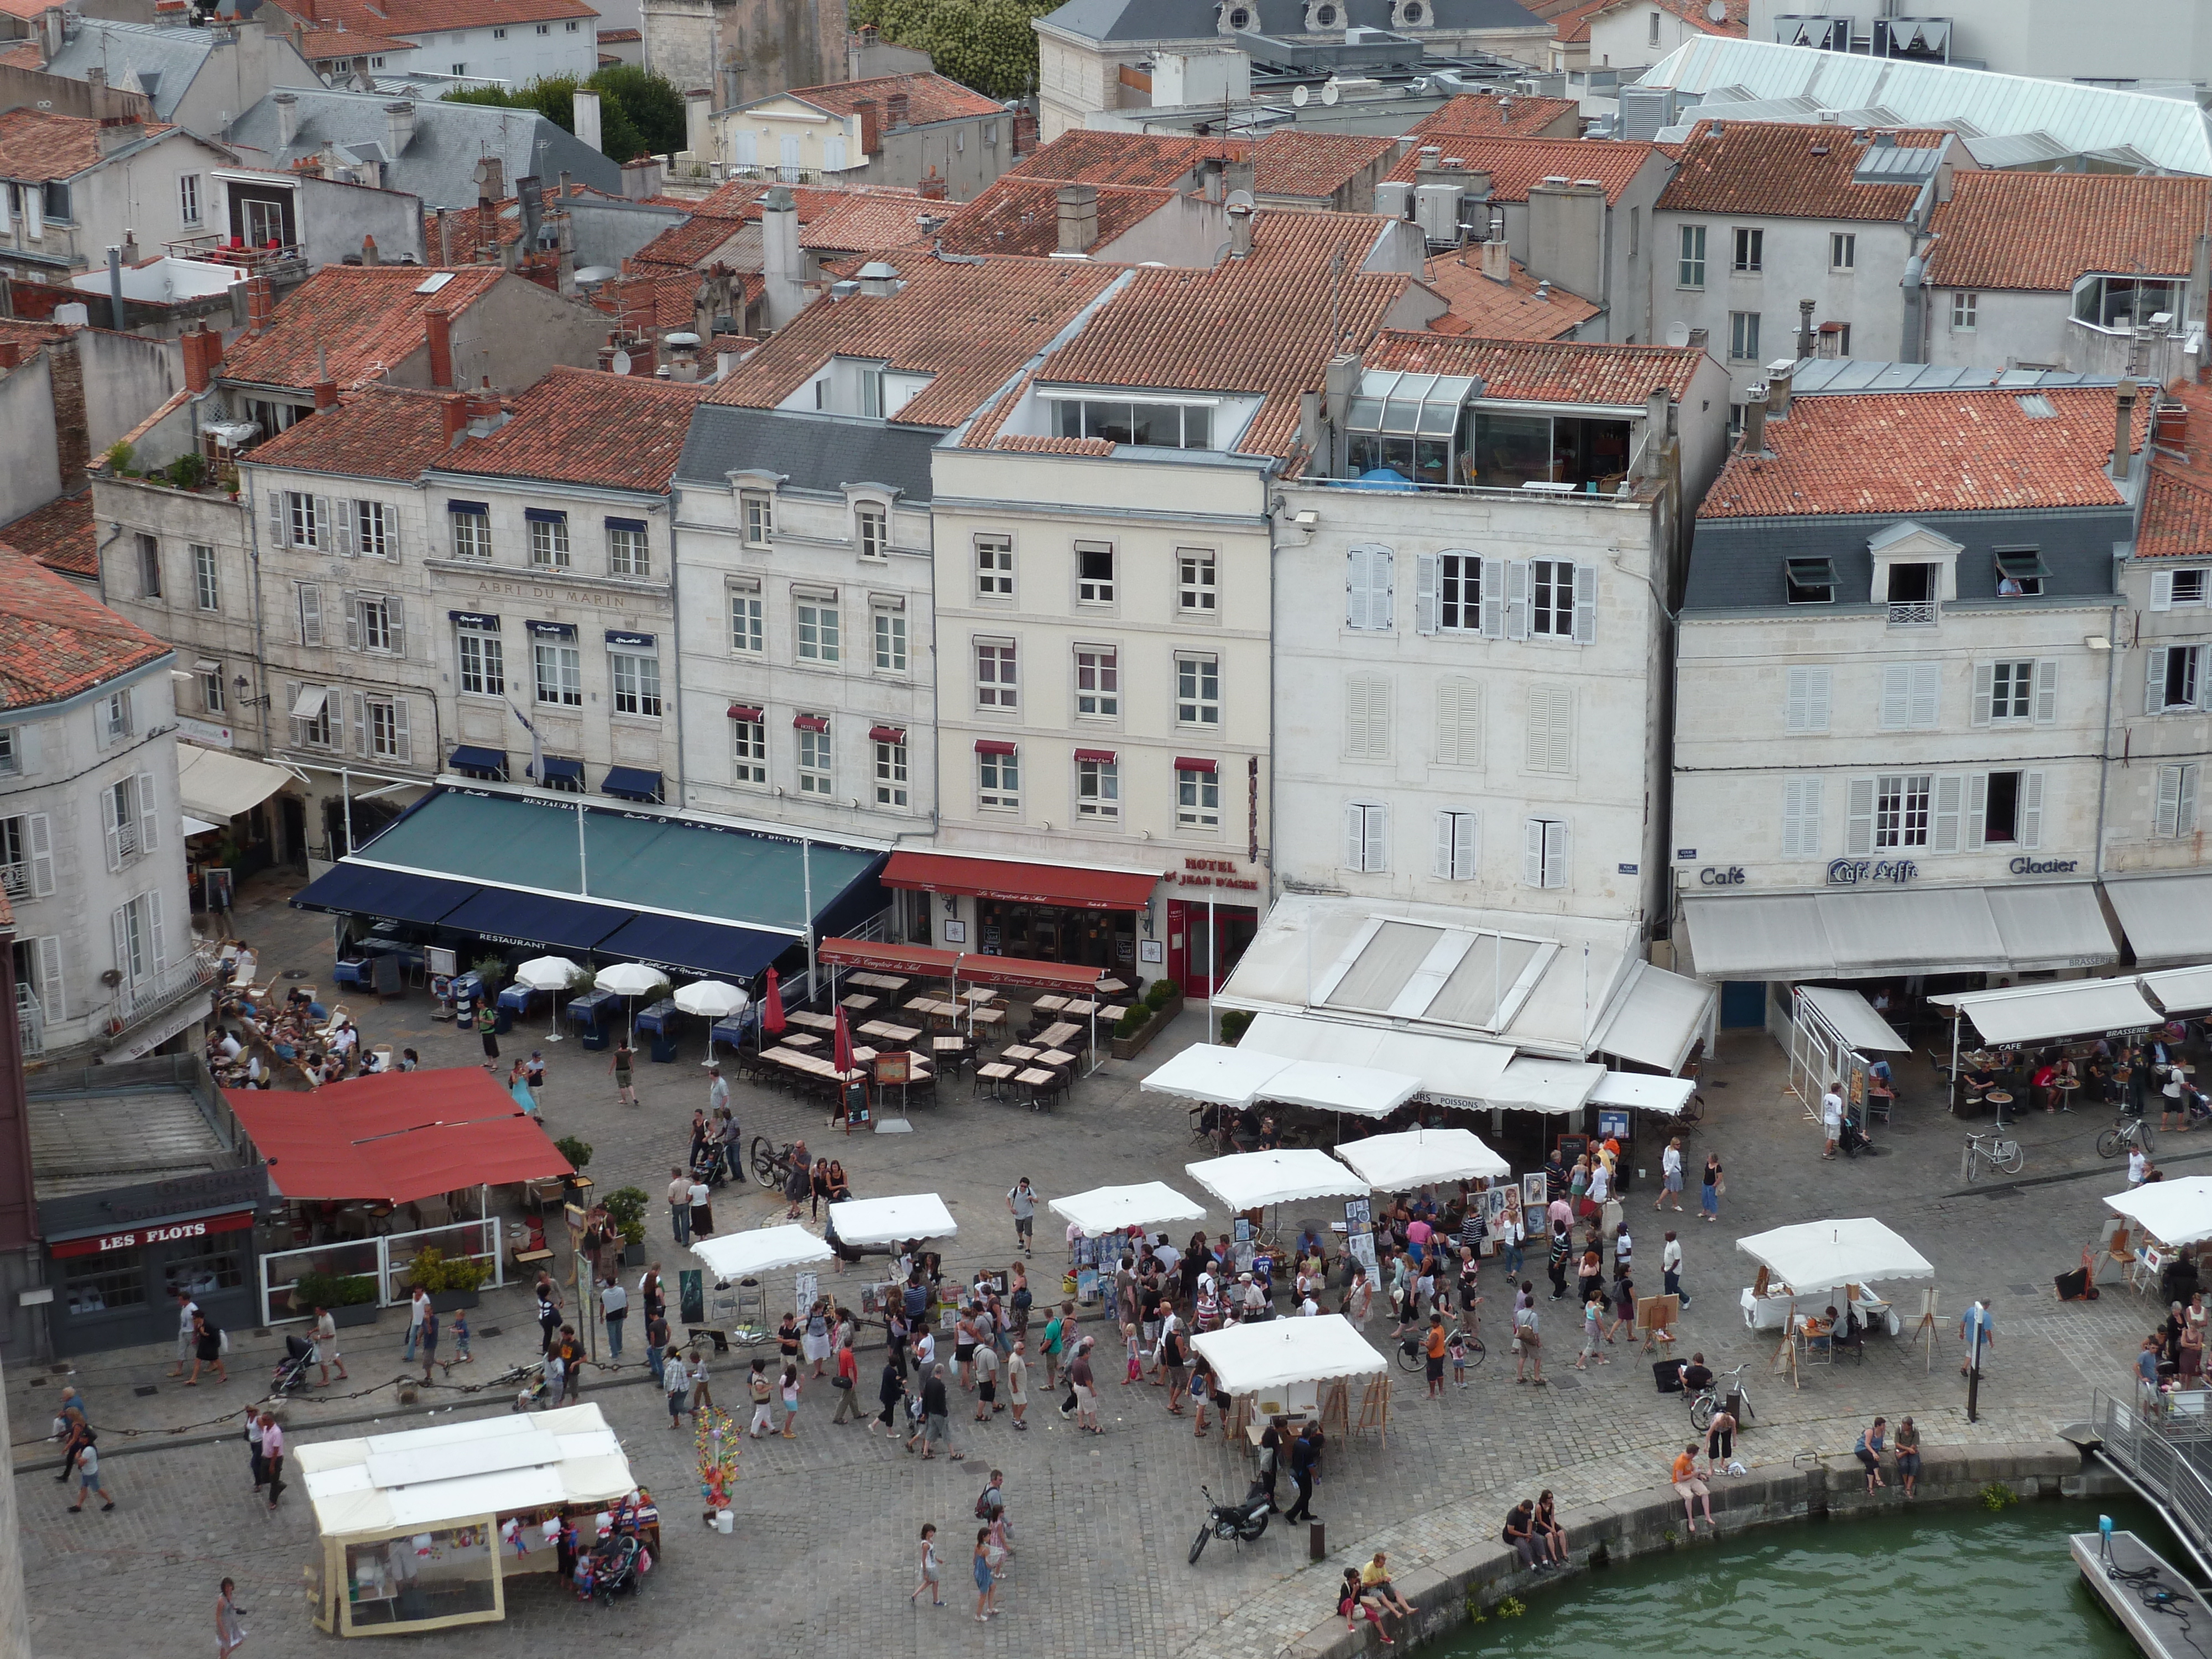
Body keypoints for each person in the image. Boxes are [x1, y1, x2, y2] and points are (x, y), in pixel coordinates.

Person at [1339, 1567, 1393, 1641]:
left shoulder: (1358, 1584)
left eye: (1357, 1577)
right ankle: (1350, 1624)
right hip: (1345, 1608)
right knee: (1349, 1601)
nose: (1357, 1579)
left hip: (1356, 1606)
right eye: (1355, 1578)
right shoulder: (1345, 1587)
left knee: (1374, 1615)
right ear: (1350, 1579)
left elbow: (1357, 1600)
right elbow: (1349, 1601)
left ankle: (1384, 1636)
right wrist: (1355, 1591)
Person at [1285, 1421, 1321, 1524]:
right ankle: (1291, 1514)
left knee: (1304, 1493)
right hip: (1303, 1474)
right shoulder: (1308, 1448)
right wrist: (1316, 1477)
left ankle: (1305, 1513)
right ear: (1311, 1435)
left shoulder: (1297, 1443)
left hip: (1296, 1470)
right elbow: (1310, 1466)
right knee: (1306, 1495)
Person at [1361, 1551, 1416, 1619]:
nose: (1383, 1566)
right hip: (1372, 1588)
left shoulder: (1382, 1567)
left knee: (1397, 1592)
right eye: (1381, 1564)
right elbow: (1366, 1584)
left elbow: (1385, 1575)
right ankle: (1396, 1613)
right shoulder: (1368, 1569)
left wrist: (1386, 1579)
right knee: (1383, 1597)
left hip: (1382, 1585)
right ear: (1376, 1562)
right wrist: (1377, 1581)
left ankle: (1408, 1609)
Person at [1672, 1443, 1712, 1533]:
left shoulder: (1689, 1459)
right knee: (1689, 1497)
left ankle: (1708, 1516)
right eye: (1695, 1455)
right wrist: (1693, 1474)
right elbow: (1679, 1478)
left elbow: (1692, 1468)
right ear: (1692, 1454)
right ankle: (1691, 1520)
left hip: (1691, 1479)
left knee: (1705, 1492)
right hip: (1680, 1483)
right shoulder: (1680, 1462)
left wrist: (1699, 1474)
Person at [68, 1432, 112, 1513]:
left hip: (90, 1473)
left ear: (86, 1439)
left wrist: (77, 1457)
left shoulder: (88, 1450)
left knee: (97, 1489)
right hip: (88, 1472)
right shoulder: (86, 1447)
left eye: (82, 1437)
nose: (80, 1438)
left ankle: (110, 1502)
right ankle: (78, 1506)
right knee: (83, 1488)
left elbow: (81, 1462)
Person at [1502, 1500, 1545, 1571]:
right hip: (1512, 1535)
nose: (1528, 1513)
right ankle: (1532, 1566)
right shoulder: (1513, 1515)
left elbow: (1529, 1523)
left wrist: (1529, 1533)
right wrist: (1524, 1535)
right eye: (1527, 1511)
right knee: (1523, 1546)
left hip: (1524, 1530)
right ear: (1522, 1507)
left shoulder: (1528, 1512)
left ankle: (1545, 1561)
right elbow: (1511, 1530)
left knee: (1538, 1539)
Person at [186, 1310, 226, 1384]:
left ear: (199, 1318)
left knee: (216, 1359)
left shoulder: (208, 1326)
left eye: (194, 1318)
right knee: (198, 1360)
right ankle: (193, 1379)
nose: (193, 1320)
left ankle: (223, 1376)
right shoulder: (199, 1324)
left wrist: (203, 1333)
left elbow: (214, 1336)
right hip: (204, 1344)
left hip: (212, 1345)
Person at [1070, 1339, 1099, 1436]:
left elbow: (1072, 1375)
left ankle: (1081, 1424)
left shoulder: (1075, 1361)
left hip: (1077, 1386)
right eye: (1089, 1354)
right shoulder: (1084, 1365)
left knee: (1080, 1407)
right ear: (1085, 1354)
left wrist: (1074, 1384)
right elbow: (1088, 1381)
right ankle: (1093, 1426)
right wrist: (1093, 1391)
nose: (1090, 1355)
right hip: (1084, 1388)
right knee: (1092, 1408)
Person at [312, 1303, 347, 1385]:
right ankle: (344, 1372)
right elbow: (320, 1326)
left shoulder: (329, 1321)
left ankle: (326, 1380)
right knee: (333, 1356)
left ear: (322, 1311)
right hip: (324, 1342)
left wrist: (319, 1337)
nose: (316, 1311)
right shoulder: (321, 1317)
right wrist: (312, 1331)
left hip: (329, 1343)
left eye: (317, 1310)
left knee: (323, 1361)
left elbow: (332, 1335)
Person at [1960, 1297, 1996, 1376]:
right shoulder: (1986, 1316)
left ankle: (1964, 1367)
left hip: (1969, 1337)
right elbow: (1987, 1331)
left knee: (1970, 1352)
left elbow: (1963, 1321)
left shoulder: (1970, 1310)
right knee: (1979, 1356)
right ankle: (1975, 1374)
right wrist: (1991, 1342)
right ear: (1987, 1306)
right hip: (1980, 1340)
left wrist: (1962, 1332)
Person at [1534, 1491, 1571, 1566]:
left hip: (1548, 1521)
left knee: (1561, 1533)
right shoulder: (1539, 1507)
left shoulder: (1552, 1505)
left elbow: (1552, 1517)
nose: (1551, 1500)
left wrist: (1553, 1528)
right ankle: (1554, 1557)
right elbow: (1540, 1521)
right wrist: (1550, 1529)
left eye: (1552, 1498)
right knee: (1549, 1536)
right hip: (1540, 1524)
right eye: (1549, 1498)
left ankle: (1564, 1554)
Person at [1513, 1295, 1543, 1385]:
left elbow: (1518, 1325)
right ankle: (1537, 1378)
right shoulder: (1534, 1316)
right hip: (1530, 1339)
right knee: (1537, 1358)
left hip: (1523, 1337)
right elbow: (1536, 1331)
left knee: (1522, 1357)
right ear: (1533, 1305)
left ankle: (1519, 1377)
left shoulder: (1519, 1313)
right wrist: (1538, 1341)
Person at [168, 1288, 199, 1379]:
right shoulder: (184, 1307)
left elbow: (197, 1322)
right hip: (183, 1332)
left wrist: (195, 1335)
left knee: (200, 1350)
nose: (179, 1302)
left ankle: (213, 1363)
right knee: (181, 1351)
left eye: (180, 1300)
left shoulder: (193, 1309)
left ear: (186, 1300)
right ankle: (179, 1370)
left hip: (191, 1332)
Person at [832, 1337, 863, 1425]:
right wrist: (853, 1382)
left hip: (843, 1377)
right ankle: (838, 1417)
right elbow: (850, 1370)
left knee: (852, 1397)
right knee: (845, 1399)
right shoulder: (849, 1355)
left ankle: (856, 1413)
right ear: (852, 1344)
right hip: (848, 1380)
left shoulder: (842, 1352)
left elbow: (840, 1365)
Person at [911, 1524, 943, 1608]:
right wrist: (925, 1572)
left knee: (930, 1582)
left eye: (933, 1532)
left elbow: (932, 1553)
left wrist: (937, 1559)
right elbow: (924, 1559)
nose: (932, 1534)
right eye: (930, 1532)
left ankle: (914, 1596)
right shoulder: (926, 1545)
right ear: (926, 1532)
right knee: (935, 1582)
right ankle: (936, 1601)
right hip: (929, 1567)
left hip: (931, 1564)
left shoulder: (930, 1542)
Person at [259, 1412, 285, 1512]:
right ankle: (280, 1484)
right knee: (264, 1477)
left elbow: (276, 1450)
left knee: (273, 1481)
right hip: (265, 1457)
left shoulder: (276, 1433)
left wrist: (272, 1465)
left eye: (264, 1419)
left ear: (270, 1420)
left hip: (275, 1459)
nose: (262, 1421)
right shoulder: (266, 1429)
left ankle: (273, 1500)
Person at [1855, 1416, 1888, 1492]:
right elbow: (1867, 1444)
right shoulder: (1870, 1432)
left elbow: (1880, 1441)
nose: (1884, 1427)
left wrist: (1881, 1447)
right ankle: (1877, 1478)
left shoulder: (1883, 1432)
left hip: (1873, 1450)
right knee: (1873, 1458)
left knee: (1869, 1465)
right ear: (1878, 1426)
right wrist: (1874, 1453)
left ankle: (1870, 1488)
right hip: (1862, 1449)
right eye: (1883, 1425)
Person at [217, 1579, 247, 1659]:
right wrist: (224, 1633)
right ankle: (223, 1657)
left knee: (240, 1640)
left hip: (232, 1624)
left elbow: (231, 1605)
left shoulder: (230, 1595)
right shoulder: (221, 1600)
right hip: (225, 1626)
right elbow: (218, 1617)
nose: (228, 1589)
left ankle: (224, 1657)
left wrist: (237, 1609)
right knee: (224, 1645)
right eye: (226, 1587)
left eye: (230, 1587)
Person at [1007, 1178, 1037, 1257]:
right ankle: (1021, 1240)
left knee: (1029, 1232)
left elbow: (1037, 1200)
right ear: (1019, 1184)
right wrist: (1011, 1208)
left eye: (1025, 1187)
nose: (1023, 1188)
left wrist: (1032, 1199)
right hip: (1018, 1214)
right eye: (1022, 1186)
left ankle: (1028, 1250)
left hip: (1028, 1214)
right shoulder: (1015, 1191)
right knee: (1019, 1230)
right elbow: (1007, 1198)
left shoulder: (1030, 1191)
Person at [600, 1274, 628, 1359]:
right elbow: (626, 1303)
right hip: (620, 1314)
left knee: (612, 1335)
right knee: (619, 1332)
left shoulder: (604, 1294)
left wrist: (601, 1316)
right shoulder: (621, 1290)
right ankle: (619, 1348)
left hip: (611, 1316)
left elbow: (602, 1306)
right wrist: (626, 1313)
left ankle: (614, 1353)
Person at [664, 1344, 691, 1428]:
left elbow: (676, 1378)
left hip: (679, 1389)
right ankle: (676, 1423)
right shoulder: (673, 1363)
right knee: (672, 1406)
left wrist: (672, 1391)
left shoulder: (676, 1365)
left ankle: (694, 1413)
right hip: (673, 1388)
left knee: (679, 1406)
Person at [972, 1527, 997, 1622]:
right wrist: (994, 1565)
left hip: (978, 1572)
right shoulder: (986, 1550)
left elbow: (974, 1560)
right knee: (983, 1595)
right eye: (988, 1536)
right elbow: (988, 1564)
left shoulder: (977, 1546)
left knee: (993, 1586)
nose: (990, 1537)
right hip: (984, 1574)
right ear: (984, 1537)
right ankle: (978, 1615)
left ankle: (991, 1608)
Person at [1894, 1416, 1922, 1499]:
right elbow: (1897, 1444)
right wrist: (1908, 1449)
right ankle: (1907, 1486)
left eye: (1905, 1425)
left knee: (1915, 1465)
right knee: (1904, 1465)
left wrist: (1905, 1453)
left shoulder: (1915, 1431)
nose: (1903, 1426)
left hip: (1911, 1450)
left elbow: (1914, 1445)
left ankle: (1908, 1488)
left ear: (1909, 1426)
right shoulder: (1899, 1430)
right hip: (1902, 1449)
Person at [1707, 1403, 1739, 1469]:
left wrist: (1735, 1440)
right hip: (1715, 1430)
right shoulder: (1717, 1421)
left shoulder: (1732, 1421)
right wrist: (1706, 1446)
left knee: (1726, 1445)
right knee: (1713, 1446)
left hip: (1726, 1431)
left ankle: (1722, 1462)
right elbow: (1709, 1433)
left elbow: (1734, 1430)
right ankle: (1710, 1467)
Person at [1663, 1230, 1688, 1307]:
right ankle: (1668, 1301)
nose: (1665, 1237)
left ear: (1670, 1238)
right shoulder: (1669, 1243)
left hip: (1674, 1271)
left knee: (1674, 1287)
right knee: (1667, 1286)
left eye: (1666, 1236)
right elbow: (1667, 1255)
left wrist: (1671, 1270)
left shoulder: (1676, 1247)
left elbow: (1677, 1260)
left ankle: (1686, 1300)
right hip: (1667, 1268)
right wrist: (1664, 1265)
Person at [416, 1306, 439, 1383]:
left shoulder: (435, 1320)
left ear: (432, 1311)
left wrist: (428, 1322)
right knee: (431, 1359)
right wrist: (419, 1337)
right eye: (425, 1312)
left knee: (426, 1362)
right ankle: (445, 1365)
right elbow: (423, 1329)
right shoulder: (424, 1319)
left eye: (428, 1311)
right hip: (426, 1342)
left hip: (431, 1343)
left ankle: (429, 1378)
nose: (426, 1313)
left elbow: (430, 1332)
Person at [1820, 1086, 1844, 1158]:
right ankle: (1826, 1154)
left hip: (1827, 1118)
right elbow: (1838, 1112)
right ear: (1838, 1090)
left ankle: (1831, 1149)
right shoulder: (1838, 1100)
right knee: (1832, 1138)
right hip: (1834, 1121)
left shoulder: (1827, 1096)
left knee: (1828, 1136)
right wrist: (1843, 1116)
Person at [476, 1001, 500, 1067]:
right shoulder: (481, 1011)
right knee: (487, 1047)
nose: (477, 1004)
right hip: (484, 1032)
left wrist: (483, 1021)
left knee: (493, 1047)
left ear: (483, 1004)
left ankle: (495, 1063)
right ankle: (489, 1061)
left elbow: (492, 1022)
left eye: (479, 1003)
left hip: (490, 1032)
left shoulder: (488, 1012)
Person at [1700, 1154, 1723, 1222]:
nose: (1708, 1160)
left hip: (1712, 1185)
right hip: (1705, 1184)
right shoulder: (1708, 1164)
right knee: (1704, 1198)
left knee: (1712, 1200)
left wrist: (1715, 1185)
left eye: (1709, 1159)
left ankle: (1713, 1215)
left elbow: (1720, 1177)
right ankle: (1705, 1211)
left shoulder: (1718, 1167)